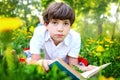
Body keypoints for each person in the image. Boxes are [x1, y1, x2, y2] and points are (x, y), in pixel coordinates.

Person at [29, 2, 96, 71]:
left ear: (70, 26)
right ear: (46, 25)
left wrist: (87, 69)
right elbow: (35, 61)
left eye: (66, 23)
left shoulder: (75, 37)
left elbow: (73, 66)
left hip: (62, 61)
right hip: (43, 31)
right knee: (28, 60)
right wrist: (40, 62)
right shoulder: (39, 33)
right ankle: (41, 21)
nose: (60, 29)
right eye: (55, 22)